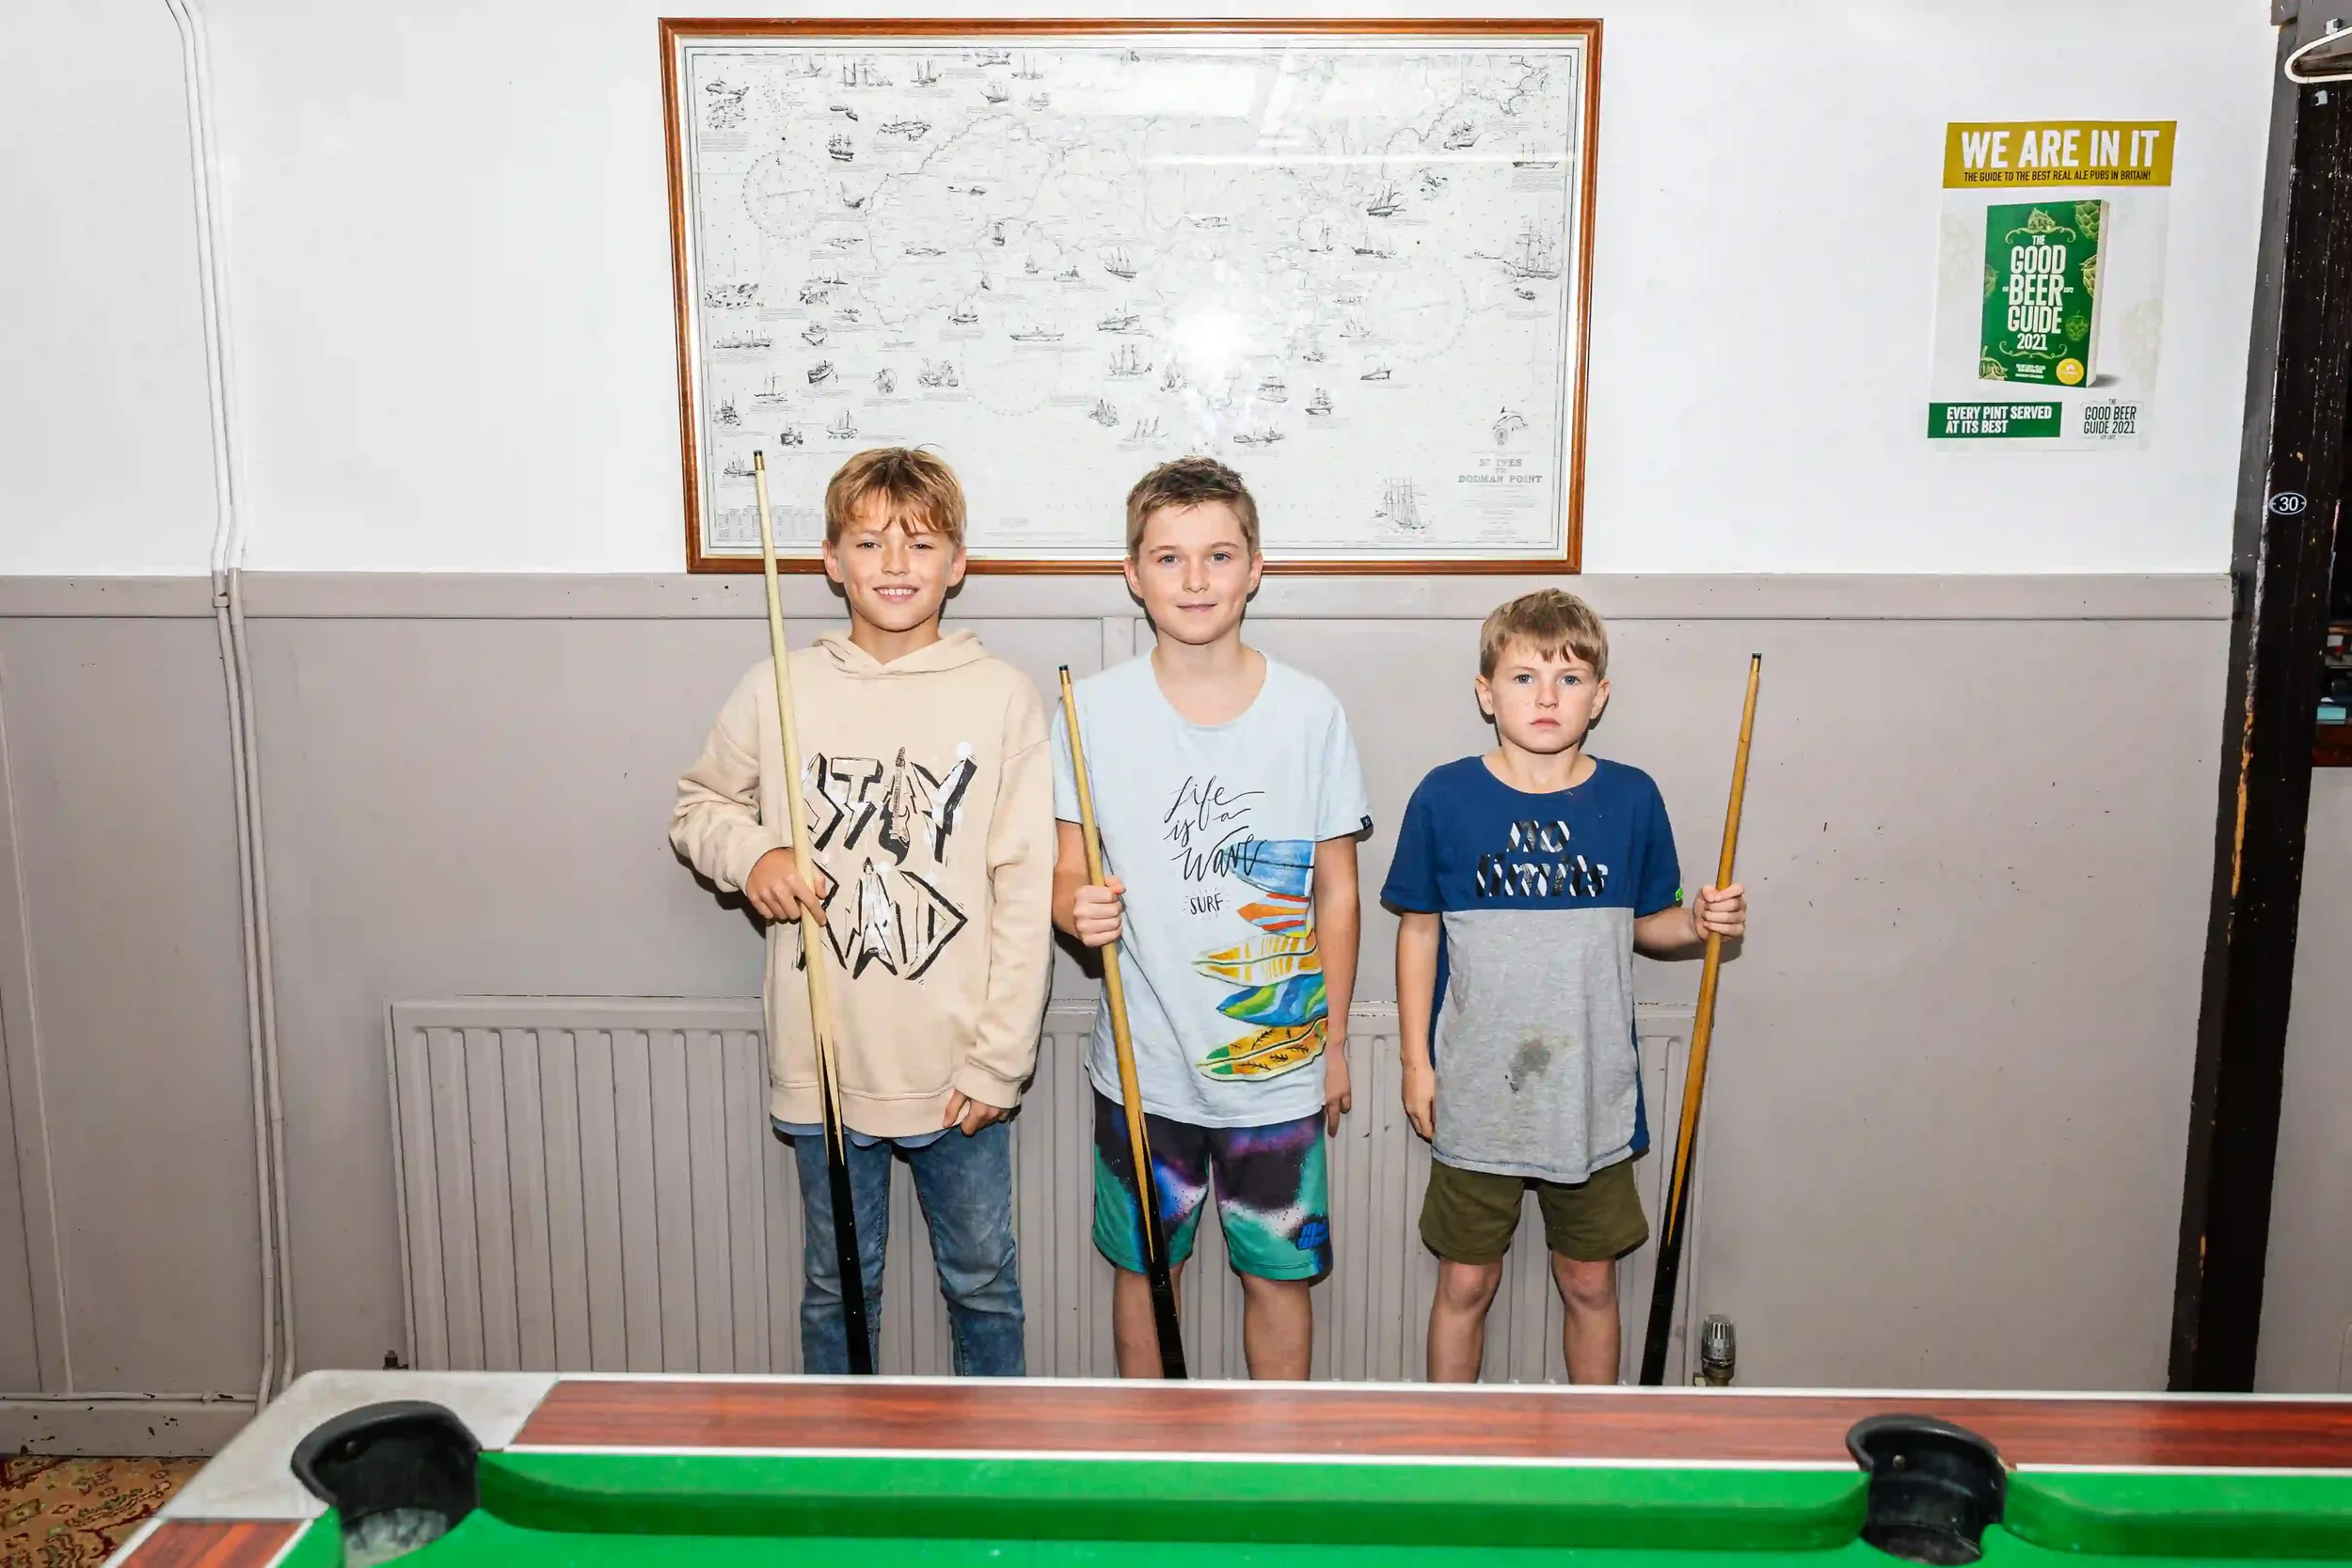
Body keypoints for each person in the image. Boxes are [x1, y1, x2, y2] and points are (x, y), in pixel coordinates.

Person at [671, 447, 1054, 1376]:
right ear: (830, 559)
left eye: (919, 543)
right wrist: (751, 853)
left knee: (984, 1285)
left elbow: (1023, 883)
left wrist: (1001, 1058)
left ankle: (995, 1482)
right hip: (825, 1065)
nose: (894, 563)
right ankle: (843, 1479)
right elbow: (697, 806)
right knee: (838, 1290)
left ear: (957, 562)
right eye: (869, 540)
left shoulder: (1001, 696)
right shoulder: (779, 686)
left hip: (961, 1072)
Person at [1051, 455, 1372, 1380]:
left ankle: (1274, 1477)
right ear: (1131, 573)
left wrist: (1336, 1041)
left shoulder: (1310, 712)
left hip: (1276, 1065)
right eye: (1168, 557)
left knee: (1279, 1274)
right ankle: (1151, 1472)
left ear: (1255, 566)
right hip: (1143, 1065)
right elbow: (1068, 862)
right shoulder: (1089, 710)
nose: (1194, 580)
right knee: (1148, 1268)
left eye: (1218, 554)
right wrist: (1075, 906)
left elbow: (1336, 891)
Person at [1381, 588, 1746, 1385]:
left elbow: (1651, 922)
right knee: (1466, 1280)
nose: (1547, 697)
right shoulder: (1444, 795)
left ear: (1600, 696)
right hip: (1477, 1089)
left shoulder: (1631, 797)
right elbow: (1417, 931)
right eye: (1522, 678)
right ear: (1486, 692)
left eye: (1570, 678)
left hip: (1591, 1092)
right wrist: (1417, 1063)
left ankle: (1595, 1454)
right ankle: (1451, 1453)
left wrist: (1701, 923)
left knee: (1589, 1280)